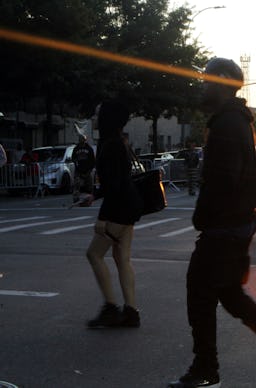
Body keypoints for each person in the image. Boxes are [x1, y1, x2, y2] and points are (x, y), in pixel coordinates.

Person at [169, 57, 256, 388]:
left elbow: (223, 180)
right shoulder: (235, 120)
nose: (202, 85)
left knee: (199, 292)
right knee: (229, 294)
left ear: (223, 81)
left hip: (225, 226)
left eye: (206, 80)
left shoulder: (228, 123)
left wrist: (202, 215)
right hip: (235, 224)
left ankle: (206, 370)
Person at [83, 99, 144, 328]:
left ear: (107, 117)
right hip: (129, 207)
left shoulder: (109, 145)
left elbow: (115, 186)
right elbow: (115, 183)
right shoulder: (119, 142)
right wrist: (95, 196)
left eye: (98, 114)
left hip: (119, 209)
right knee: (122, 258)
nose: (94, 117)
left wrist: (103, 218)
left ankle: (110, 308)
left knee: (94, 254)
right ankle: (130, 311)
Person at [72, 134, 96, 203]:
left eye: (83, 139)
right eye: (80, 139)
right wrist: (76, 164)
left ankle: (89, 198)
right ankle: (76, 198)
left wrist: (90, 169)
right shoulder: (76, 148)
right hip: (78, 170)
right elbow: (73, 158)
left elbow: (93, 160)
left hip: (87, 170)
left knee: (89, 185)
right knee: (77, 184)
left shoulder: (89, 148)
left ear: (85, 140)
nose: (81, 140)